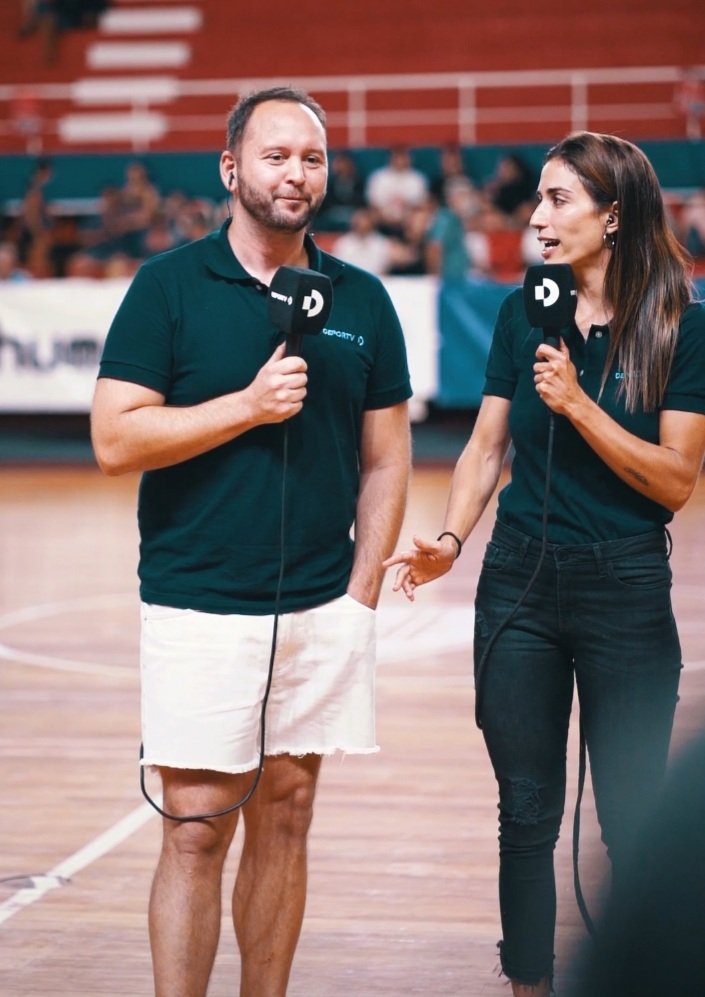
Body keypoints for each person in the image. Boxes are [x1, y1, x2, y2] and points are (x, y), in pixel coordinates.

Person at [91, 86, 412, 997]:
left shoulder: (361, 299)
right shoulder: (169, 286)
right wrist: (243, 406)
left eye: (310, 158)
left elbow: (386, 460)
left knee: (288, 815)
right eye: (274, 156)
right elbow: (115, 440)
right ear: (231, 169)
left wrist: (359, 598)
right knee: (195, 828)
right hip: (197, 605)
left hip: (319, 607)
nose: (294, 174)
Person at [383, 131, 705, 995]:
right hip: (518, 582)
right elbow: (487, 446)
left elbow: (674, 478)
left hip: (626, 587)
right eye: (538, 200)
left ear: (612, 213)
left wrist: (578, 405)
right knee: (524, 813)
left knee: (633, 819)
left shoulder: (681, 320)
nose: (536, 217)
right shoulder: (523, 310)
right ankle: (526, 983)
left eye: (557, 199)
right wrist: (449, 540)